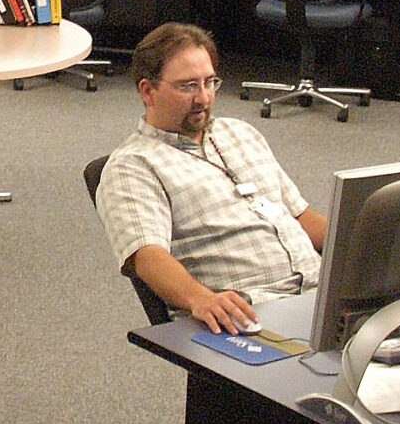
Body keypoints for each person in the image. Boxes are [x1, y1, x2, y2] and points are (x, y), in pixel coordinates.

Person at [97, 22, 328, 335]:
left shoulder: (241, 133)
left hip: (319, 296)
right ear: (148, 91)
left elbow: (300, 217)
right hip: (251, 313)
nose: (203, 98)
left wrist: (364, 240)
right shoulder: (133, 166)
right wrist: (200, 299)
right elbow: (147, 258)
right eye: (187, 86)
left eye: (210, 82)